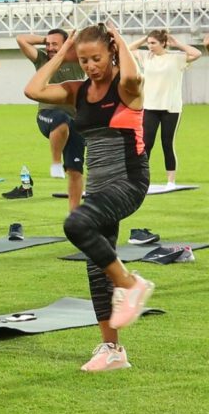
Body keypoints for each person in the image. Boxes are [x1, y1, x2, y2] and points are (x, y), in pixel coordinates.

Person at [24, 23, 153, 372]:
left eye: (96, 58)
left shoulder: (126, 87)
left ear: (110, 52)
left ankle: (131, 283)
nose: (91, 66)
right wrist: (62, 55)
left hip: (128, 181)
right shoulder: (77, 91)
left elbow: (134, 77)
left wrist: (121, 41)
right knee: (96, 267)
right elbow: (33, 90)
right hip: (99, 187)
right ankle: (112, 351)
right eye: (83, 60)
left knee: (77, 222)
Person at [15, 28, 86, 208]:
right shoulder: (42, 59)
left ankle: (75, 214)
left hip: (76, 120)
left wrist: (71, 42)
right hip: (48, 115)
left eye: (55, 44)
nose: (50, 47)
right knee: (60, 120)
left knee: (76, 170)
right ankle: (55, 162)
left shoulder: (77, 60)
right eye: (48, 44)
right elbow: (21, 39)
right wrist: (46, 39)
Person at [127, 30, 201, 188]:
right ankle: (141, 180)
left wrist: (178, 44)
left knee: (167, 143)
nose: (150, 46)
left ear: (163, 43)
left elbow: (197, 53)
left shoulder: (177, 58)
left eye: (153, 43)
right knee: (146, 143)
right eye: (149, 43)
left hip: (171, 108)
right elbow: (127, 49)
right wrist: (144, 39)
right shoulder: (146, 56)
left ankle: (171, 181)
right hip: (150, 107)